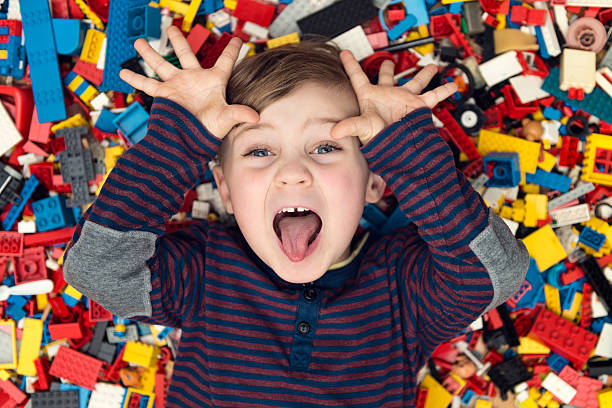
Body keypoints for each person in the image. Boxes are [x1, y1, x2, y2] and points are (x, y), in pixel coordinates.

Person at [63, 26, 530, 407]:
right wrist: (178, 143)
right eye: (260, 150)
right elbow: (99, 269)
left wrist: (408, 152)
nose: (292, 173)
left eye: (326, 147)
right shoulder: (207, 270)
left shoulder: (403, 286)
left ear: (376, 180)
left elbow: (494, 274)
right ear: (224, 188)